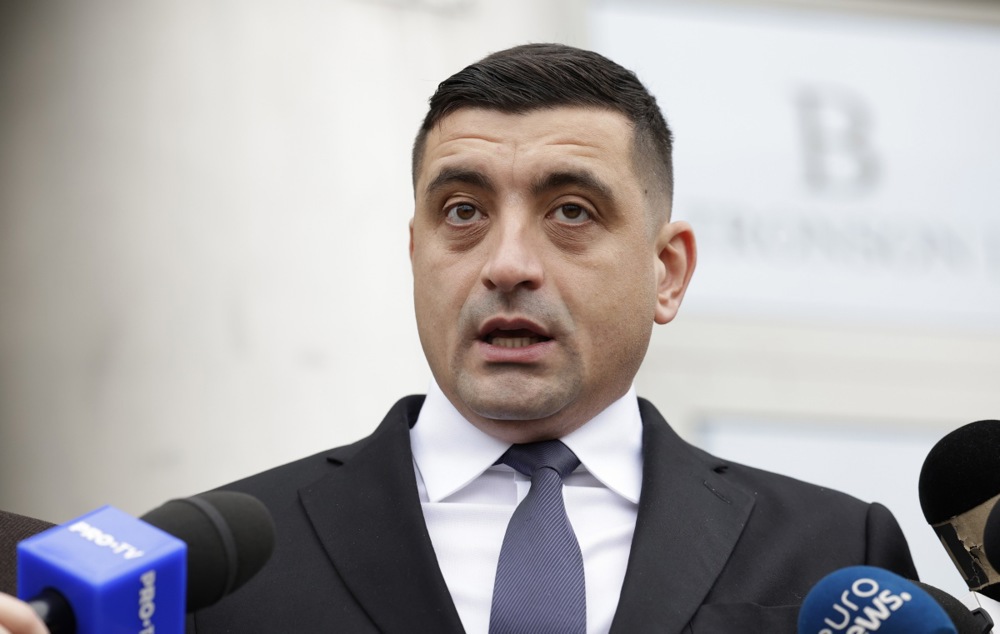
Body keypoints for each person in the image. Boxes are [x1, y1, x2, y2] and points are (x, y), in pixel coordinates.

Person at [0, 43, 917, 633]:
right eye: (464, 212)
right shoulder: (210, 572)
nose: (506, 264)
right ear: (417, 254)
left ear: (667, 271)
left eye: (571, 210)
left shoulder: (838, 555)